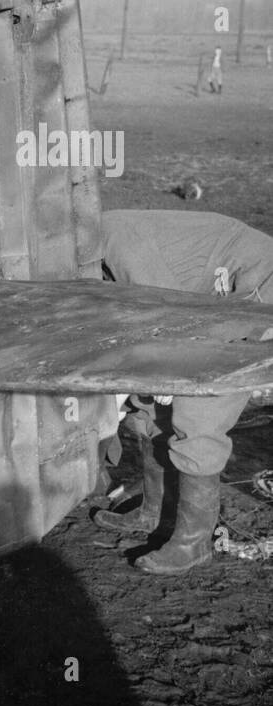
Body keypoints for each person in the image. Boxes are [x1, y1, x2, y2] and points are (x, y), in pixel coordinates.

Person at [93, 209, 273, 573]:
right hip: (209, 299)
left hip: (258, 291)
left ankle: (194, 543)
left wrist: (170, 367)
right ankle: (153, 514)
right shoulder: (94, 251)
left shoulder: (116, 240)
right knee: (147, 407)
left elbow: (169, 311)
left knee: (200, 407)